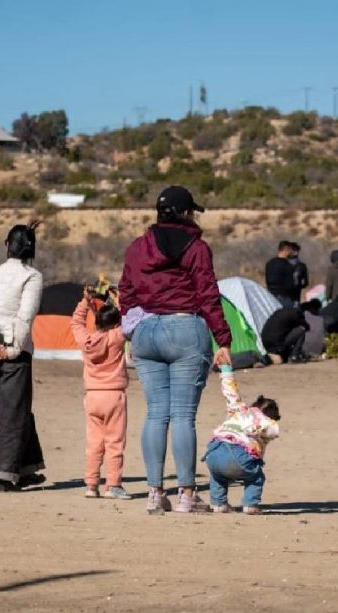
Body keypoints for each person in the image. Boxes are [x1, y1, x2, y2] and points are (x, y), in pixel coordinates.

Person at [118, 185, 232, 514]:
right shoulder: (197, 248)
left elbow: (125, 290)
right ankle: (186, 494)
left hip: (146, 332)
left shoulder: (137, 248)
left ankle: (155, 493)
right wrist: (222, 339)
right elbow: (208, 294)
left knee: (156, 414)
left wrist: (132, 326)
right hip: (185, 329)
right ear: (186, 213)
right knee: (183, 416)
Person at [0, 223, 47, 492]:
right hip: (12, 351)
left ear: (7, 245)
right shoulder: (32, 277)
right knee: (13, 415)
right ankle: (2, 477)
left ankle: (25, 469)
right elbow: (25, 317)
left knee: (12, 411)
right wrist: (13, 349)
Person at [70, 287, 131, 500]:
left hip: (92, 396)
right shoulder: (117, 337)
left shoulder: (85, 340)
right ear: (114, 324)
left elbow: (76, 323)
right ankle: (113, 485)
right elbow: (129, 321)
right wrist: (120, 300)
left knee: (94, 443)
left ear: (95, 323)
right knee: (114, 442)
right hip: (114, 395)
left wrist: (85, 301)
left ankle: (91, 484)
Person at [202, 366, 280, 515]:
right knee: (256, 476)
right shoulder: (266, 422)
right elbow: (274, 430)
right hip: (238, 454)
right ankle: (250, 505)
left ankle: (219, 504)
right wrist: (255, 428)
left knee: (218, 476)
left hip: (214, 451)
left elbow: (230, 390)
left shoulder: (238, 409)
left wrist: (225, 369)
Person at [265, 241, 296, 308]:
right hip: (283, 297)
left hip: (270, 296)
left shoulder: (270, 263)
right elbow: (290, 285)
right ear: (286, 250)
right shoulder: (287, 265)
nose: (291, 253)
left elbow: (267, 280)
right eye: (290, 250)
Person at [287, 242, 308, 306]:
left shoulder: (283, 264)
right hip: (296, 295)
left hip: (284, 295)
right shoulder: (302, 265)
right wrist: (299, 286)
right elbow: (306, 283)